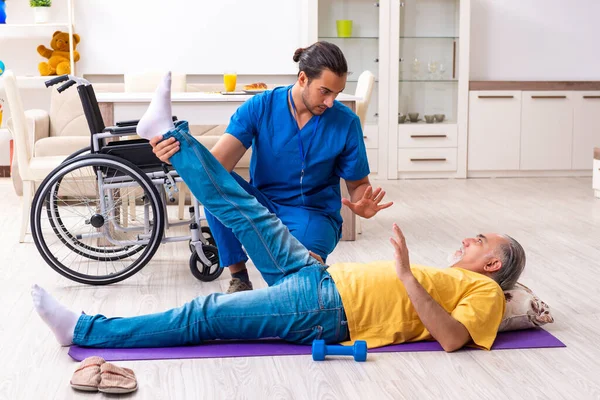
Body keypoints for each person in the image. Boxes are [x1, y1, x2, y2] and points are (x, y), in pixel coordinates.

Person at [31, 73, 526, 352]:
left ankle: (85, 330)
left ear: (493, 265)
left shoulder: (484, 292)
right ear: (303, 79)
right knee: (240, 204)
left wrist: (404, 273)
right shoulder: (266, 106)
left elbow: (453, 339)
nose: (469, 238)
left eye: (480, 241)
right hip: (322, 277)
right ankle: (170, 135)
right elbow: (226, 165)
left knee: (204, 315)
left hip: (326, 311)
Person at [151, 42, 392, 293]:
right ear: (303, 78)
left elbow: (358, 184)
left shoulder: (346, 122)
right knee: (215, 182)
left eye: (337, 93)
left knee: (299, 278)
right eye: (325, 91)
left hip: (312, 212)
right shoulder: (261, 107)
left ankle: (288, 291)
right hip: (262, 204)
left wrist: (363, 202)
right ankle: (239, 277)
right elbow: (218, 165)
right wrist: (174, 156)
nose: (331, 102)